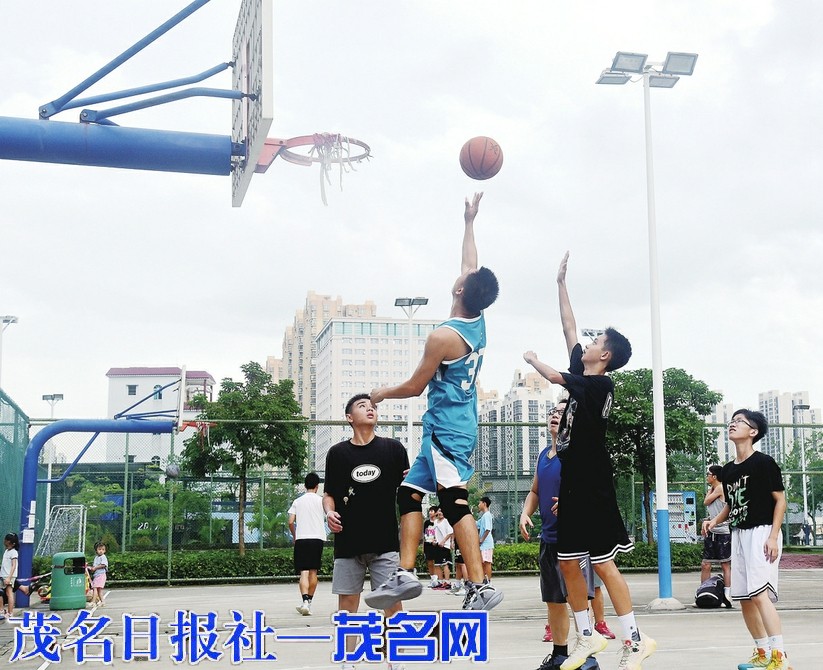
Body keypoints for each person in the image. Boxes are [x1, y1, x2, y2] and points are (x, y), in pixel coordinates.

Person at [366, 192, 501, 612]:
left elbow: (414, 386)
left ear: (459, 290)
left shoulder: (443, 337)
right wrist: (469, 221)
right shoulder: (476, 318)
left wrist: (381, 393)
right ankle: (404, 574)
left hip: (448, 429)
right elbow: (470, 264)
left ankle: (478, 585)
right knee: (409, 494)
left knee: (453, 502)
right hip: (444, 427)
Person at [523, 251, 655, 670]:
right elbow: (569, 327)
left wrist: (532, 359)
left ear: (606, 356)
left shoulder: (599, 387)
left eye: (596, 342)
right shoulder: (585, 377)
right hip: (575, 482)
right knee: (567, 561)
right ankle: (587, 636)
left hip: (593, 483)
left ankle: (635, 640)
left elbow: (553, 376)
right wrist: (561, 284)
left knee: (602, 562)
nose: (589, 343)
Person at [324, 394, 410, 670]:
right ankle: (348, 659)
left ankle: (395, 659)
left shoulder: (393, 449)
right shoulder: (337, 453)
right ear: (349, 418)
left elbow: (409, 487)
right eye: (362, 406)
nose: (370, 408)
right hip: (348, 542)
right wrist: (329, 513)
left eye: (372, 406)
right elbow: (329, 494)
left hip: (385, 542)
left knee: (392, 602)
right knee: (348, 605)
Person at [702, 410, 791, 670]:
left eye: (739, 421)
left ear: (753, 432)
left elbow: (780, 501)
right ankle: (763, 652)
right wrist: (714, 521)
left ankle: (780, 658)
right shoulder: (729, 470)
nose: (732, 424)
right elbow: (731, 505)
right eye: (732, 420)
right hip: (739, 534)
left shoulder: (764, 463)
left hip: (762, 532)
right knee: (744, 598)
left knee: (760, 595)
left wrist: (773, 537)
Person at [520, 399, 598, 670]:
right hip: (549, 539)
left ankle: (588, 656)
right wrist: (525, 512)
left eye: (562, 412)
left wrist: (571, 501)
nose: (555, 415)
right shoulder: (544, 455)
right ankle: (560, 655)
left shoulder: (577, 453)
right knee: (553, 600)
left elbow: (592, 490)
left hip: (574, 539)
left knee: (579, 601)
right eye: (553, 411)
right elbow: (535, 491)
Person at [288, 472, 327, 615]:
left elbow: (290, 521)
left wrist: (295, 535)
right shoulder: (322, 501)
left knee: (304, 572)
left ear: (305, 486)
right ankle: (309, 602)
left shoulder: (297, 501)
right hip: (317, 538)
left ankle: (304, 601)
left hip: (302, 538)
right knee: (313, 571)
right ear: (317, 486)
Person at [700, 464, 732, 607]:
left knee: (725, 564)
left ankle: (727, 595)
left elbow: (706, 501)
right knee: (706, 564)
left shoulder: (720, 488)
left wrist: (710, 489)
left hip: (722, 532)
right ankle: (703, 592)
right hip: (711, 531)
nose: (707, 477)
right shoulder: (713, 489)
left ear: (714, 476)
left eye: (708, 474)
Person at [432, 507, 454, 589]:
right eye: (439, 511)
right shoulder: (435, 522)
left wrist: (443, 541)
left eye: (442, 511)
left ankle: (447, 582)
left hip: (444, 546)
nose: (440, 513)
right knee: (437, 565)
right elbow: (434, 533)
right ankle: (440, 582)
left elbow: (450, 532)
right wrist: (434, 540)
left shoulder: (446, 521)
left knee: (445, 564)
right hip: (437, 545)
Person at [1, 532, 20, 620]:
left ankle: (10, 613)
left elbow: (14, 565)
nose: (5, 542)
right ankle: (2, 610)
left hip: (9, 576)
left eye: (8, 541)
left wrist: (9, 577)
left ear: (13, 543)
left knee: (9, 593)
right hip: (3, 575)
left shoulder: (14, 552)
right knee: (2, 593)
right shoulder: (7, 551)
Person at [477, 496, 495, 582]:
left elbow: (488, 529)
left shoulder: (487, 515)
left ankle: (488, 581)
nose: (478, 505)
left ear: (484, 504)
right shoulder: (484, 516)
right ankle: (484, 580)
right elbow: (476, 524)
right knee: (482, 562)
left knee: (487, 562)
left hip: (486, 544)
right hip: (483, 544)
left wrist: (481, 540)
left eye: (479, 503)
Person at [422, 506, 439, 588]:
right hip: (428, 543)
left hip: (436, 544)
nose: (430, 512)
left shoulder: (438, 522)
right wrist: (423, 545)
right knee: (429, 562)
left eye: (432, 511)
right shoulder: (426, 522)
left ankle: (439, 579)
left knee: (437, 562)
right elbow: (424, 534)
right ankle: (433, 578)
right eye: (429, 511)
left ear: (436, 512)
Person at [88, 541, 108, 607]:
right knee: (99, 590)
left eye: (103, 549)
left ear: (105, 550)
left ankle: (93, 602)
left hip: (101, 575)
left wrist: (95, 568)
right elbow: (94, 567)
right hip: (97, 575)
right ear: (96, 550)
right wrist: (91, 568)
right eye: (99, 549)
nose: (101, 551)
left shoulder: (103, 557)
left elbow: (103, 565)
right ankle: (102, 602)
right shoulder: (96, 557)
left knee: (95, 588)